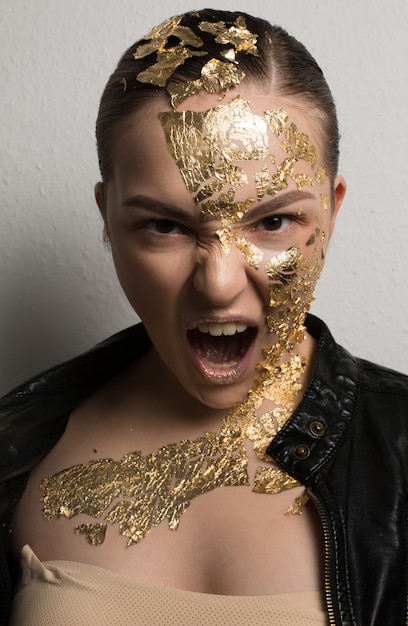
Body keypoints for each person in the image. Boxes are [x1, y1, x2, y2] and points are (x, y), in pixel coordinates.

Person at [0, 8, 407, 625]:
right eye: (163, 226)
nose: (218, 284)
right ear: (107, 217)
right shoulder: (18, 449)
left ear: (331, 210)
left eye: (273, 221)